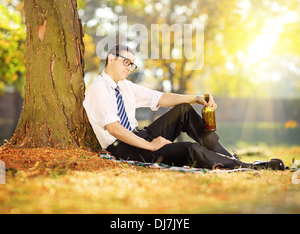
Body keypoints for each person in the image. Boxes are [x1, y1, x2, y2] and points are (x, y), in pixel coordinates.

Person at [83, 44, 285, 171]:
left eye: (132, 65)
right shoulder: (99, 88)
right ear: (111, 58)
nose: (129, 68)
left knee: (184, 110)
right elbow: (114, 128)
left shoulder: (125, 86)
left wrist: (196, 99)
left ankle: (228, 157)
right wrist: (151, 145)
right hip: (124, 148)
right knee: (190, 150)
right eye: (126, 62)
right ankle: (246, 166)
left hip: (139, 136)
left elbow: (160, 97)